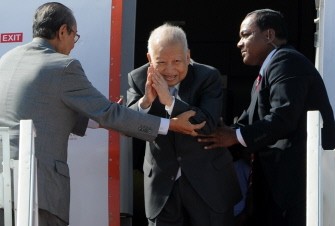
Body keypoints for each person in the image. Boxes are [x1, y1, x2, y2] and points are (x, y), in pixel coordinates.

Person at [0, 3, 205, 226]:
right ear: (62, 31)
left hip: (4, 188)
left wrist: (114, 116)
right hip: (38, 190)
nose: (72, 45)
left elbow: (48, 109)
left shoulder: (6, 60)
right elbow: (108, 112)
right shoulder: (63, 66)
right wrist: (169, 125)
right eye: (74, 36)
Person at [198, 9, 335, 226]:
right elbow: (249, 121)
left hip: (292, 189)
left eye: (245, 35)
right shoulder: (270, 67)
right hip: (275, 187)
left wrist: (235, 136)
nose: (239, 44)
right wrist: (217, 132)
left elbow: (283, 119)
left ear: (269, 35)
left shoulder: (286, 61)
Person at [126, 23, 241, 226]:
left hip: (208, 184)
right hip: (162, 187)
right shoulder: (138, 78)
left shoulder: (208, 77)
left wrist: (170, 102)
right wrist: (145, 102)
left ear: (188, 56)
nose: (170, 70)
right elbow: (127, 125)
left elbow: (205, 124)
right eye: (161, 62)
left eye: (177, 61)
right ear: (149, 59)